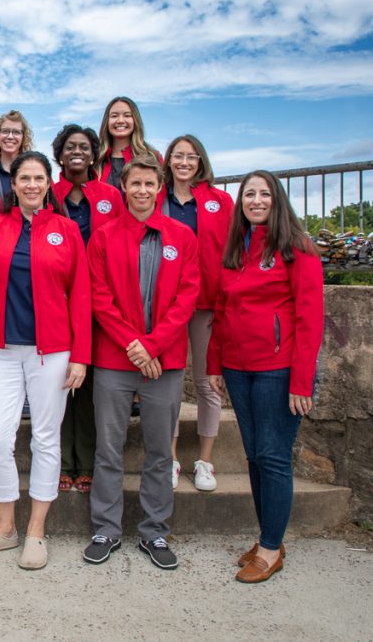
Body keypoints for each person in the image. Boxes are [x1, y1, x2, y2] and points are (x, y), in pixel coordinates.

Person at [0, 151, 91, 570]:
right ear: (12, 185)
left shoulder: (67, 230)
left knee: (45, 438)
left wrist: (81, 356)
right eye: (24, 179)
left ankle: (35, 532)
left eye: (39, 178)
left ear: (48, 183)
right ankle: (4, 529)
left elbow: (82, 295)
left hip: (52, 352)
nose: (32, 185)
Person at [207, 169, 324, 583]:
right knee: (254, 455)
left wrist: (301, 381)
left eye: (264, 194)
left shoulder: (297, 247)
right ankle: (267, 539)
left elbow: (310, 318)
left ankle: (272, 549)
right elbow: (221, 311)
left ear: (277, 200)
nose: (255, 200)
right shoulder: (237, 249)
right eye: (248, 194)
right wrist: (213, 364)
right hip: (238, 368)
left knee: (273, 457)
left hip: (278, 369)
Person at [85, 156, 199, 570]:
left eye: (150, 184)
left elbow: (186, 298)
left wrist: (151, 346)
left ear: (160, 187)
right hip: (116, 358)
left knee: (158, 452)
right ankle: (106, 529)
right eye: (135, 183)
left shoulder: (183, 237)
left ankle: (154, 532)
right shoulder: (103, 237)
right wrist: (135, 345)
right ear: (124, 187)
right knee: (109, 449)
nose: (142, 191)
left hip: (162, 361)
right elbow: (100, 297)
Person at [49, 124, 124, 495]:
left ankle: (87, 462)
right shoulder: (50, 194)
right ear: (59, 155)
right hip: (58, 301)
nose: (76, 152)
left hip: (101, 300)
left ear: (94, 155)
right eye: (69, 147)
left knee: (92, 385)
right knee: (63, 382)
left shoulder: (111, 194)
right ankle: (64, 462)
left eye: (83, 147)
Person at [160, 135, 234, 492]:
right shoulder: (158, 198)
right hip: (166, 303)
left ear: (200, 161)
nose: (184, 162)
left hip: (207, 302)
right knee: (170, 384)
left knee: (207, 383)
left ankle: (205, 461)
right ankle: (170, 460)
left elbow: (236, 247)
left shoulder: (220, 201)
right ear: (169, 160)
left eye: (191, 156)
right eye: (178, 156)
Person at [94, 96, 161, 189]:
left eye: (127, 115)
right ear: (107, 121)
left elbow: (161, 194)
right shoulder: (95, 158)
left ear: (135, 120)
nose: (120, 120)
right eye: (114, 116)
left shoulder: (153, 156)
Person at [0, 110, 33, 201]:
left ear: (23, 137)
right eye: (5, 131)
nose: (10, 136)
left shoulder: (36, 170)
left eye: (16, 132)